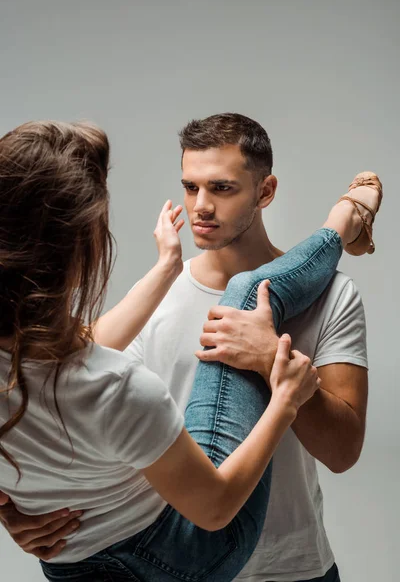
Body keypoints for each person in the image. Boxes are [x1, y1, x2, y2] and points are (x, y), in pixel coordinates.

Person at [0, 117, 382, 582]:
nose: (201, 206)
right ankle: (346, 221)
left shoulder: (334, 296)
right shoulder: (156, 301)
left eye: (222, 188)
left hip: (292, 567)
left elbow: (343, 453)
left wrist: (268, 358)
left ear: (265, 192)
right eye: (190, 187)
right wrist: (15, 509)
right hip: (181, 550)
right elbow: (68, 397)